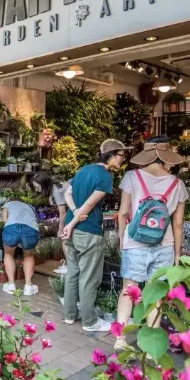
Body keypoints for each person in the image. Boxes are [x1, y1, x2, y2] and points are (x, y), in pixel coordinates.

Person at [114, 137, 188, 350]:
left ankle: (120, 338)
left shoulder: (131, 177)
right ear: (166, 157)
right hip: (164, 245)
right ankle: (150, 341)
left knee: (129, 289)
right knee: (156, 294)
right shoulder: (178, 184)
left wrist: (121, 236)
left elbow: (124, 212)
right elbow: (178, 223)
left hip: (135, 242)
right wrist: (177, 253)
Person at [60, 139, 133, 332]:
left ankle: (69, 315)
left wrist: (73, 214)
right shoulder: (105, 176)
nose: (122, 160)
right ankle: (89, 321)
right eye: (121, 156)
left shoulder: (84, 170)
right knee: (89, 277)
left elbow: (67, 194)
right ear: (110, 155)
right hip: (88, 229)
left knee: (73, 272)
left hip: (72, 227)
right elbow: (91, 204)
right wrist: (77, 218)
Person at [1, 187, 44, 295]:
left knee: (8, 254)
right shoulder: (29, 206)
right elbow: (36, 220)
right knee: (28, 255)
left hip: (12, 228)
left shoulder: (7, 204)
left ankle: (11, 285)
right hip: (30, 230)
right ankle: (28, 287)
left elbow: (4, 220)